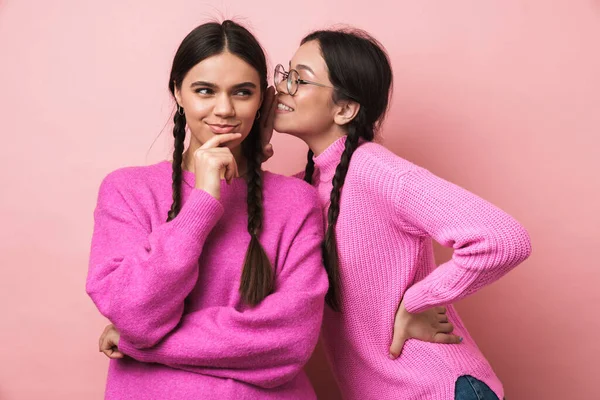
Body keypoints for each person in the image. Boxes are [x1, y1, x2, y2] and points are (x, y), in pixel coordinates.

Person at [263, 27, 532, 400]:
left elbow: (503, 238)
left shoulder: (375, 170)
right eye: (286, 73)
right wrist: (251, 146)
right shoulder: (304, 188)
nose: (283, 88)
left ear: (345, 108)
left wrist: (417, 300)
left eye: (301, 79)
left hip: (440, 389)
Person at [86, 20, 328, 400]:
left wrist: (142, 345)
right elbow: (133, 314)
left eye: (242, 92)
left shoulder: (297, 202)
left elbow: (289, 340)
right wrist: (202, 202)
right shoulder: (127, 190)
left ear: (262, 100)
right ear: (178, 92)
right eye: (205, 90)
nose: (225, 108)